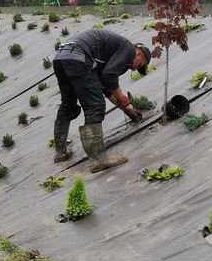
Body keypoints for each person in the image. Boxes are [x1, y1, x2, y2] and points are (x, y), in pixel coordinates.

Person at [52, 29, 151, 172]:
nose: (135, 69)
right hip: (79, 56)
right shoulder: (129, 48)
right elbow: (110, 76)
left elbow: (104, 86)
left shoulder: (108, 54)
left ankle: (60, 152)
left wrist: (127, 109)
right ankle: (98, 159)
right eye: (140, 65)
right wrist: (122, 97)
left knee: (68, 105)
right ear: (139, 53)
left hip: (62, 56)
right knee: (95, 106)